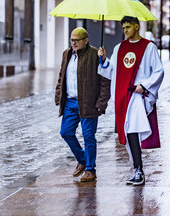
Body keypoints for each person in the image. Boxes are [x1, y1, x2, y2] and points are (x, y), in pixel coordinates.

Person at [98, 16, 164, 186]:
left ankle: (139, 170)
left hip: (137, 95)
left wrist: (144, 85)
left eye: (128, 27)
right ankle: (137, 169)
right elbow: (111, 71)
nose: (125, 30)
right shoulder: (119, 48)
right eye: (123, 27)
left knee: (133, 130)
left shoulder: (149, 47)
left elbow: (158, 71)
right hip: (122, 96)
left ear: (137, 26)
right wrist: (103, 59)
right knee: (128, 133)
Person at [55, 27, 111, 182]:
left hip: (89, 102)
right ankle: (82, 159)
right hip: (71, 102)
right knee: (65, 132)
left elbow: (106, 80)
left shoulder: (95, 54)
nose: (73, 43)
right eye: (71, 40)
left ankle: (90, 170)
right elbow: (62, 76)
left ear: (85, 41)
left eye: (76, 40)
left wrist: (101, 102)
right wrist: (58, 95)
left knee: (88, 136)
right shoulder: (67, 54)